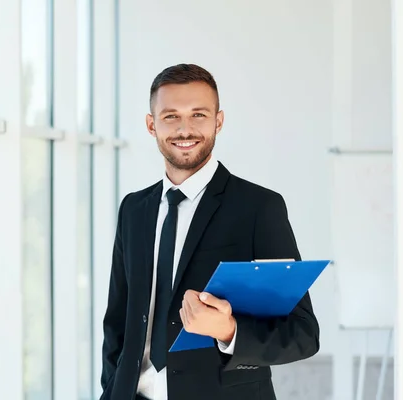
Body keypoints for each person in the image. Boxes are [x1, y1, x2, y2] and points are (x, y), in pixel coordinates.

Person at [100, 64, 320, 400]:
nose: (185, 129)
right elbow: (117, 323)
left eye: (198, 115)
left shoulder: (258, 209)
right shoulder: (134, 209)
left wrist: (229, 331)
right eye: (171, 116)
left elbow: (303, 333)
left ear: (218, 121)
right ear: (151, 124)